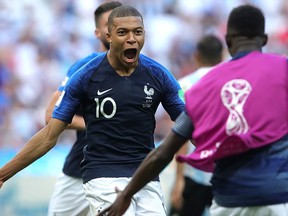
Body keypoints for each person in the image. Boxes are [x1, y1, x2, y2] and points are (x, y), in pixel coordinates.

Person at [97, 4, 288, 216]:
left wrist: (126, 194)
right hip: (276, 197)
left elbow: (164, 151)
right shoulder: (283, 71)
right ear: (264, 39)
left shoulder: (203, 86)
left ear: (229, 41)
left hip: (229, 200)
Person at [0, 5, 185, 216]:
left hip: (144, 176)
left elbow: (188, 123)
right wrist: (3, 174)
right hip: (102, 174)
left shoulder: (158, 75)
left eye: (138, 32)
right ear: (108, 35)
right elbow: (49, 133)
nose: (132, 39)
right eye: (123, 32)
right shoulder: (85, 75)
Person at [45, 2, 122, 216]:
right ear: (97, 32)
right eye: (109, 24)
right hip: (80, 171)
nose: (115, 29)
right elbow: (51, 114)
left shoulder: (147, 71)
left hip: (124, 173)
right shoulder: (84, 68)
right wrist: (94, 122)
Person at [169, 34, 223, 216]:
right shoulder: (230, 83)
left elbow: (181, 135)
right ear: (222, 56)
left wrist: (178, 180)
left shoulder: (184, 85)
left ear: (196, 56)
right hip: (224, 171)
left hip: (194, 172)